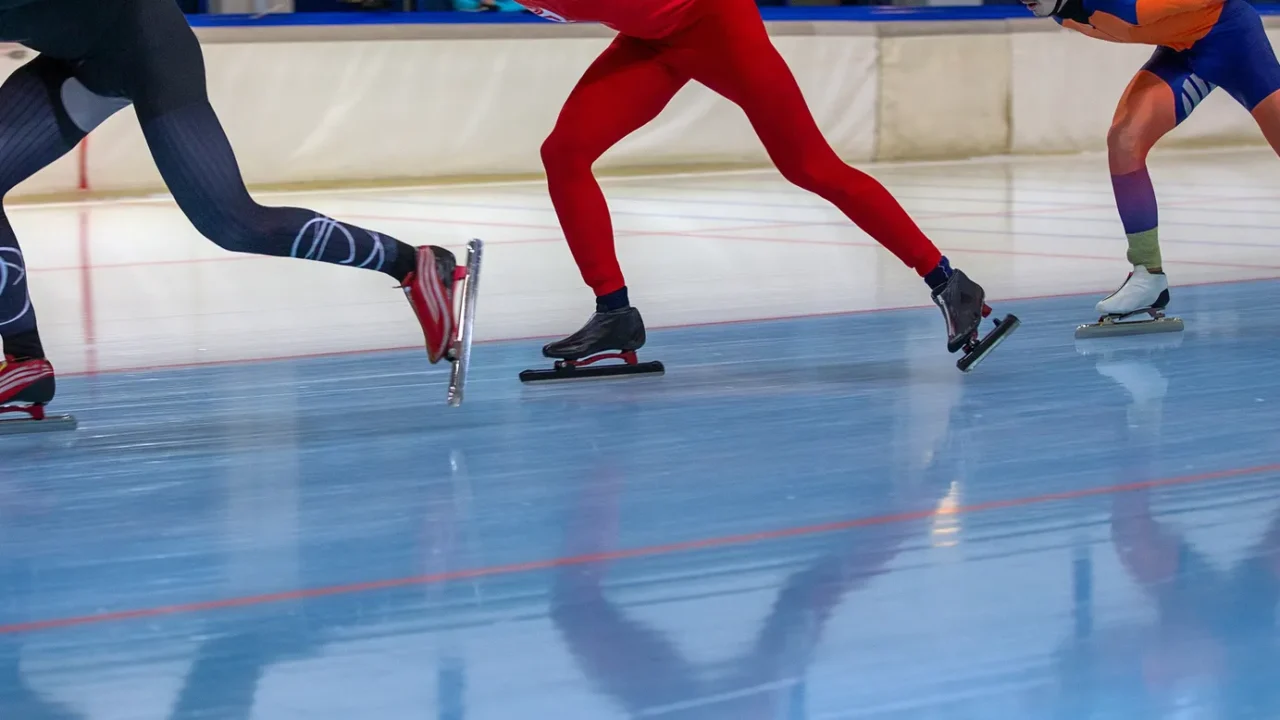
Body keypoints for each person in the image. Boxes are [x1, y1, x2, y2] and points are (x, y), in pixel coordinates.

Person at [0, 0, 457, 424]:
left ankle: (413, 264)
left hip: (143, 47)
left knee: (235, 223)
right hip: (74, 58)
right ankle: (26, 363)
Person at [517, 0, 1018, 377]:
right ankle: (614, 314)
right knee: (563, 152)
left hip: (714, 21)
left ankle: (950, 284)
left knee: (810, 166)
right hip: (649, 39)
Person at [1024, 0, 1280, 328]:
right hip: (1182, 50)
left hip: (1233, 40)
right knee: (1124, 140)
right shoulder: (1062, 13)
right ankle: (1148, 275)